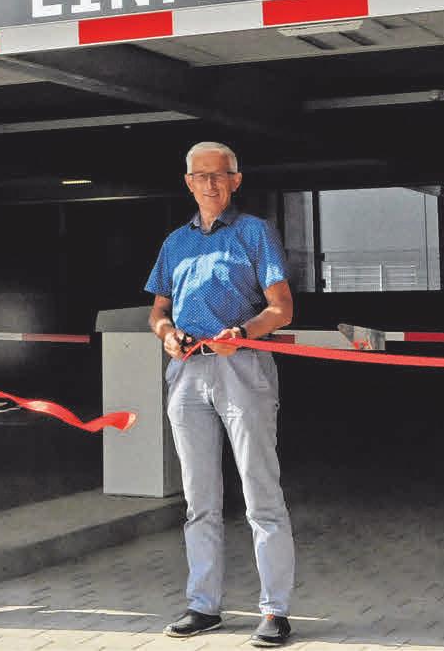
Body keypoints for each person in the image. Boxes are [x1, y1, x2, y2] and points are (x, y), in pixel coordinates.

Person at [146, 141, 297, 647]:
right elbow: (157, 310)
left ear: (236, 180)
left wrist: (245, 333)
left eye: (220, 175)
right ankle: (203, 605)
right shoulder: (174, 242)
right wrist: (166, 332)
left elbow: (281, 308)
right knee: (199, 499)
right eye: (200, 175)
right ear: (187, 182)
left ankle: (275, 612)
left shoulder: (255, 233)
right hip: (187, 375)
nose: (210, 183)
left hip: (243, 368)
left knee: (260, 494)